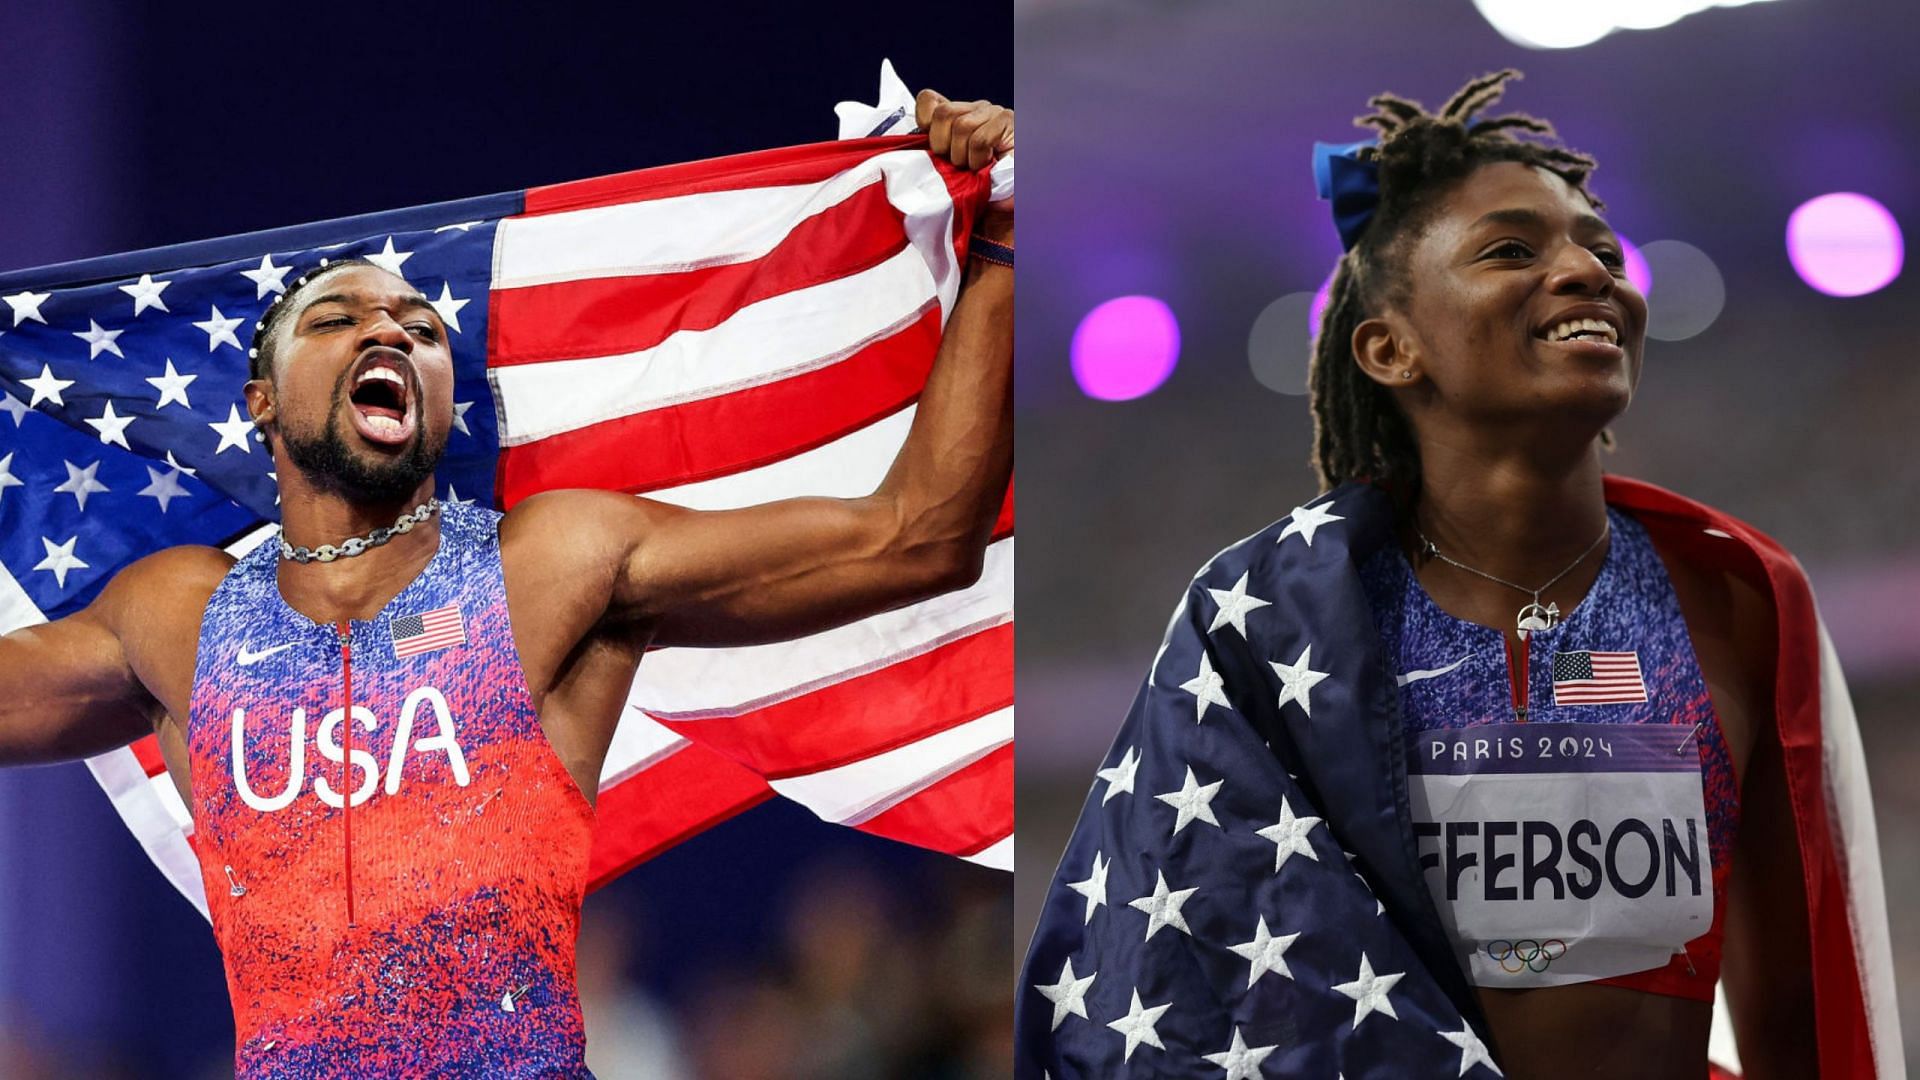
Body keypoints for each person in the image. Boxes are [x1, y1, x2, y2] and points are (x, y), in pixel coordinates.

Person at [0, 90, 1011, 1078]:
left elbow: (914, 539)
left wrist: (1003, 239)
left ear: (446, 402)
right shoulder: (179, 615)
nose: (387, 332)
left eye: (419, 328)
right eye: (337, 320)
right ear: (262, 403)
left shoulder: (550, 567)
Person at [1018, 71, 1897, 1079]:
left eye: (1601, 252)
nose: (1587, 273)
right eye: (1513, 251)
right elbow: (1168, 1005)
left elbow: (1795, 1011)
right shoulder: (1271, 628)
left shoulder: (1735, 604)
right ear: (1391, 349)